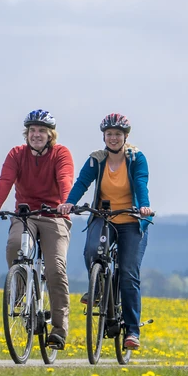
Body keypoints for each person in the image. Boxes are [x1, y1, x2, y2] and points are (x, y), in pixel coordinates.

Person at [57, 113, 152, 350]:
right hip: (104, 217)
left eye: (118, 134)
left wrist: (143, 207)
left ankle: (132, 331)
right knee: (91, 251)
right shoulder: (96, 160)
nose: (113, 138)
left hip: (132, 219)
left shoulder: (136, 158)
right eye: (109, 134)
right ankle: (98, 288)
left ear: (125, 137)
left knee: (129, 273)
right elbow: (81, 183)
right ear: (103, 136)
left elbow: (141, 183)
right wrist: (69, 202)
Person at [0, 109, 74, 349]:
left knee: (55, 268)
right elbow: (5, 181)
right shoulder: (17, 154)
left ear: (50, 134)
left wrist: (65, 203)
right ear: (27, 133)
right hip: (25, 215)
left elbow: (65, 178)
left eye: (42, 131)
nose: (36, 135)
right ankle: (21, 294)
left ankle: (59, 329)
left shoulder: (61, 153)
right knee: (14, 246)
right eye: (32, 130)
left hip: (55, 215)